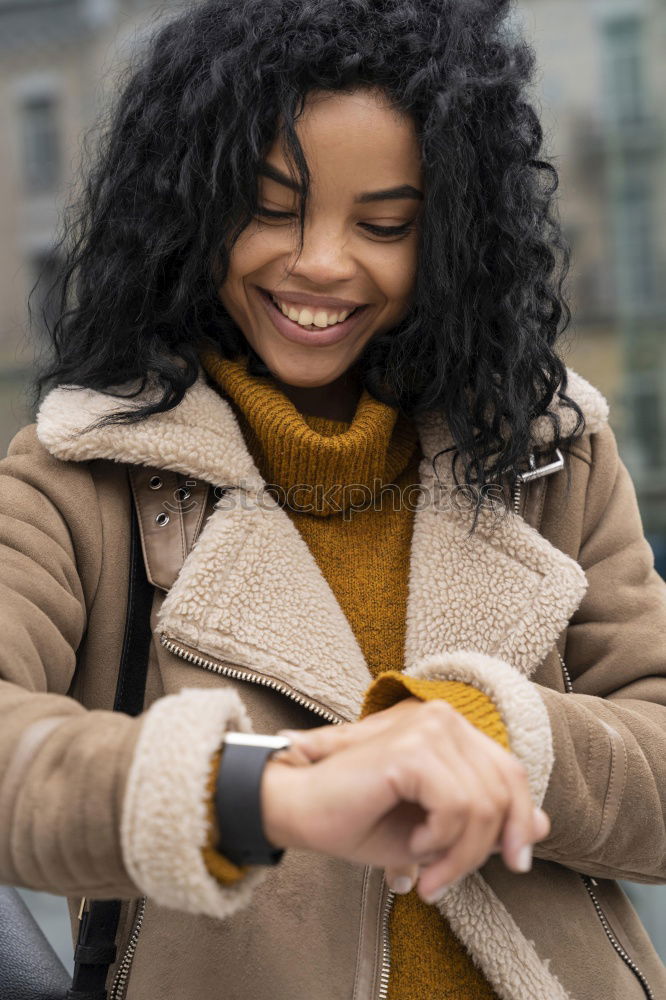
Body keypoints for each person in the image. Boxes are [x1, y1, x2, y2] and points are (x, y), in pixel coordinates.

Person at [2, 0, 665, 997]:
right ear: (193, 204)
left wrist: (493, 730)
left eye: (385, 223)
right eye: (270, 207)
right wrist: (257, 792)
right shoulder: (75, 472)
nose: (320, 261)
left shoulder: (550, 448)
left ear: (448, 233)